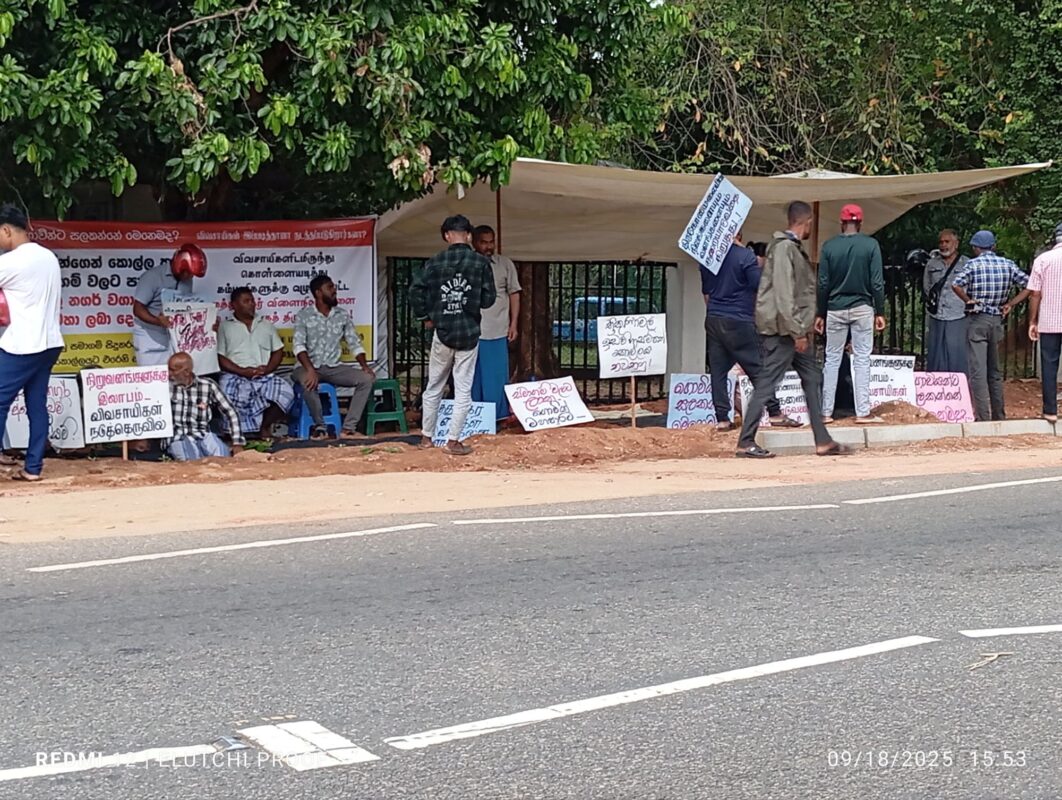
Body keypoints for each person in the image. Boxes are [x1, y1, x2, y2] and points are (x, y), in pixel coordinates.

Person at [736, 201, 849, 459]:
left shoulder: (789, 248)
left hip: (791, 329)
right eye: (810, 224)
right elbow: (784, 294)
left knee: (812, 377)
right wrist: (797, 331)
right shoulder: (785, 248)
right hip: (783, 331)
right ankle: (745, 441)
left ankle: (823, 440)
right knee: (767, 383)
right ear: (806, 221)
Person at [410, 214, 496, 455]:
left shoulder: (434, 262)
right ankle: (453, 441)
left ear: (447, 236)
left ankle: (426, 438)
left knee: (434, 385)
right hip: (469, 332)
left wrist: (426, 317)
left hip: (443, 332)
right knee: (463, 389)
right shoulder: (481, 263)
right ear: (468, 236)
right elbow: (489, 299)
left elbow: (415, 291)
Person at [701, 235, 798, 431]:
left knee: (718, 371)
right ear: (738, 235)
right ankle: (775, 412)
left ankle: (722, 419)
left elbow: (706, 292)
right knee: (758, 367)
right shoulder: (745, 256)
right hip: (739, 318)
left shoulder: (708, 258)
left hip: (714, 317)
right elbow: (759, 286)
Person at [0, 204, 65, 482]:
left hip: (22, 344)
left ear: (6, 230)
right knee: (36, 405)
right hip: (50, 343)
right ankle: (33, 468)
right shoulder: (48, 256)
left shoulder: (11, 262)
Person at [815, 204, 887, 424]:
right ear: (860, 223)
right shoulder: (870, 245)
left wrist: (820, 313)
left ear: (841, 222)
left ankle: (826, 413)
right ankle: (862, 412)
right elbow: (877, 282)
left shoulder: (829, 246)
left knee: (831, 360)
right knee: (862, 359)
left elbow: (823, 283)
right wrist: (880, 311)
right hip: (862, 307)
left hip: (835, 308)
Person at [952, 230, 1029, 421]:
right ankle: (999, 415)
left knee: (978, 370)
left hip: (978, 319)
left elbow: (956, 284)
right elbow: (1029, 285)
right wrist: (1011, 303)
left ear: (975, 248)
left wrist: (969, 300)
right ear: (993, 246)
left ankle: (983, 416)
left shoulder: (973, 264)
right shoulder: (1008, 264)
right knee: (994, 370)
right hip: (997, 320)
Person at [292, 274, 375, 439]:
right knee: (308, 382)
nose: (334, 290)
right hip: (307, 367)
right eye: (330, 288)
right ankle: (320, 427)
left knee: (367, 379)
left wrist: (364, 366)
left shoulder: (342, 315)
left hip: (333, 367)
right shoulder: (304, 315)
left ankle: (348, 428)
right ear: (318, 293)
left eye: (334, 287)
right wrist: (310, 370)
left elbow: (354, 343)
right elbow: (298, 346)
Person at [217, 287, 295, 438]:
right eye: (246, 301)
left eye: (252, 300)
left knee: (286, 392)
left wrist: (268, 369)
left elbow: (278, 351)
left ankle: (263, 427)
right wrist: (242, 371)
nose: (252, 304)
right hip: (235, 375)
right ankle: (235, 434)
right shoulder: (225, 327)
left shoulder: (266, 325)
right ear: (234, 305)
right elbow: (220, 357)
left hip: (263, 375)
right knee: (225, 392)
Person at [471, 225, 521, 421]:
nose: (488, 246)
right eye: (484, 242)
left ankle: (497, 418)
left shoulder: (504, 264)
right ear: (474, 242)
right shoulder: (467, 263)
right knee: (473, 378)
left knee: (496, 376)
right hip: (471, 331)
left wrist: (514, 324)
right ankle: (474, 418)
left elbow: (514, 293)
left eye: (491, 242)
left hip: (497, 329)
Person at [132, 243, 207, 366]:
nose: (190, 276)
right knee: (153, 376)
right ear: (179, 264)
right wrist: (158, 321)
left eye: (192, 274)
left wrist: (206, 321)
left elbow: (185, 305)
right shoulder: (152, 277)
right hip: (150, 336)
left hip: (175, 337)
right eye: (188, 273)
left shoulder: (187, 279)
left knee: (175, 375)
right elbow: (137, 309)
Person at [1019, 222, 1062, 422]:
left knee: (1049, 365)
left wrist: (1032, 321)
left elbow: (1035, 294)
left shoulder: (1043, 260)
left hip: (1049, 322)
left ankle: (1050, 411)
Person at [166, 352, 245, 461]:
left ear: (186, 372)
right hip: (179, 437)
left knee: (223, 457)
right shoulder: (164, 386)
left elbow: (230, 411)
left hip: (204, 435)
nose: (169, 374)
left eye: (173, 370)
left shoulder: (207, 385)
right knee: (191, 462)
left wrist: (237, 442)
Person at [923, 229, 969, 373]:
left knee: (957, 353)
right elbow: (927, 287)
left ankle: (958, 383)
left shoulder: (967, 264)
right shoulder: (932, 264)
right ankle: (935, 383)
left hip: (958, 314)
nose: (943, 245)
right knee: (935, 353)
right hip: (937, 314)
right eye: (941, 242)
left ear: (956, 243)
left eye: (947, 242)